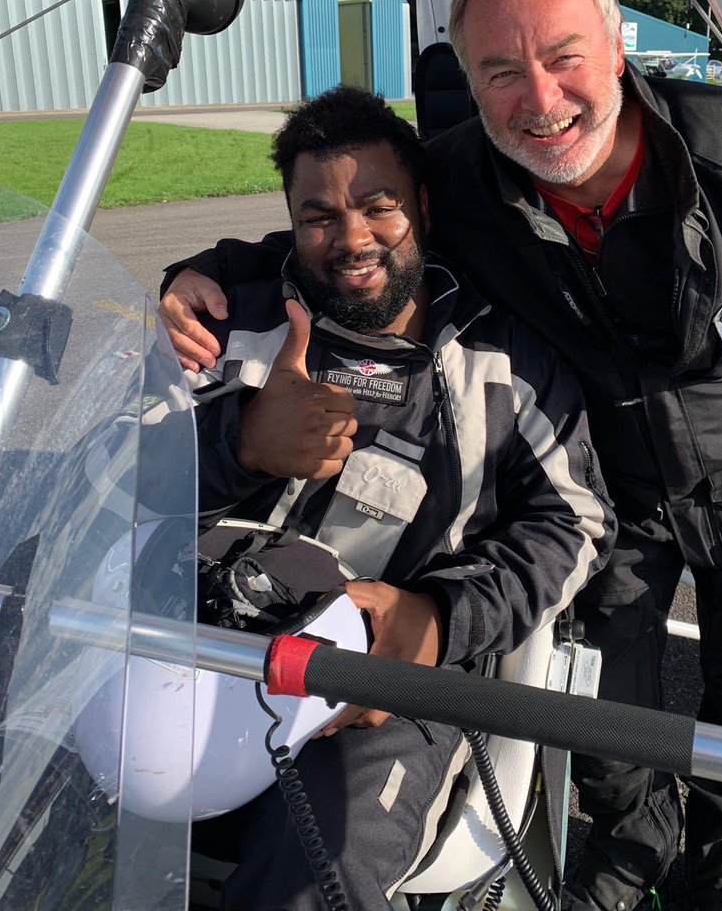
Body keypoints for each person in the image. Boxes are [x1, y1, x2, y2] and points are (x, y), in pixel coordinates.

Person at [160, 0, 722, 911]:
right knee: (606, 707)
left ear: (616, 47)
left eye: (564, 56)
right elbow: (345, 236)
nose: (539, 99)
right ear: (472, 82)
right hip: (615, 483)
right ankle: (627, 861)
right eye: (501, 71)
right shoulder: (462, 177)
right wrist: (202, 276)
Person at [183, 86, 615, 911]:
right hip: (190, 640)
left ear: (422, 204)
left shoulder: (505, 362)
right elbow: (108, 481)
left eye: (379, 207)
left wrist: (439, 619)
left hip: (388, 692)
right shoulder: (223, 328)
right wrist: (237, 447)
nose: (351, 239)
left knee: (320, 869)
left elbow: (578, 522)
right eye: (318, 217)